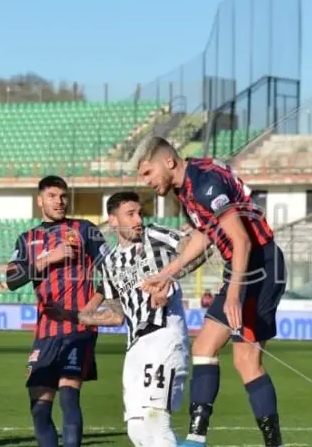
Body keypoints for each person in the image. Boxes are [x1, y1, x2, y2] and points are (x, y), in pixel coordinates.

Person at [135, 137, 285, 447]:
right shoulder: (187, 187)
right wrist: (167, 274)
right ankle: (195, 439)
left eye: (148, 174)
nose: (146, 182)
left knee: (246, 360)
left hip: (261, 265)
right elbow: (205, 234)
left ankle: (272, 443)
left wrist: (233, 293)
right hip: (245, 266)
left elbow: (241, 240)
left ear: (169, 162)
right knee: (204, 348)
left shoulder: (204, 184)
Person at [57, 191, 207, 446]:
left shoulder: (154, 235)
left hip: (164, 333)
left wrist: (168, 277)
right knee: (136, 429)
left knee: (156, 419)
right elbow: (116, 315)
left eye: (140, 213)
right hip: (135, 347)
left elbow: (198, 249)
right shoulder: (110, 262)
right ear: (113, 220)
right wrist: (79, 316)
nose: (138, 219)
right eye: (130, 214)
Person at [5, 176, 110, 447]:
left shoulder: (85, 229)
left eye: (63, 196)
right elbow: (13, 280)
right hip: (45, 332)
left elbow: (113, 270)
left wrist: (92, 305)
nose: (59, 201)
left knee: (68, 395)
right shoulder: (27, 239)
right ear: (40, 200)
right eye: (52, 196)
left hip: (79, 329)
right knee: (39, 407)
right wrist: (49, 258)